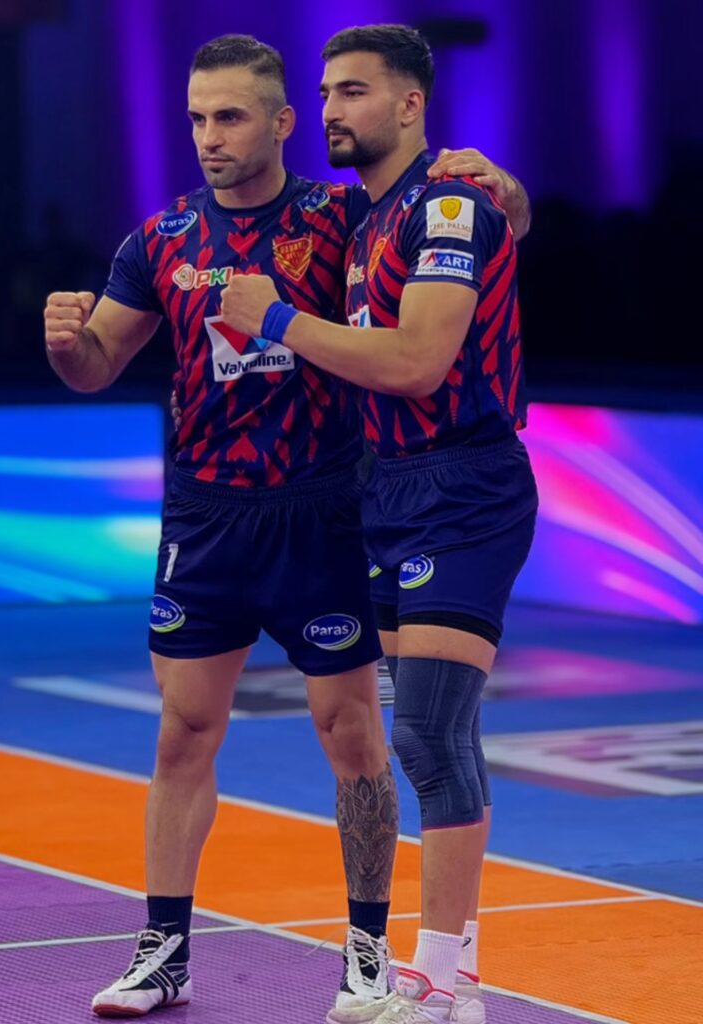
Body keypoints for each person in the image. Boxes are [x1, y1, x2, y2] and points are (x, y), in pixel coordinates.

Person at [44, 33, 530, 1021]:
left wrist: (507, 191)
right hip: (207, 515)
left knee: (365, 734)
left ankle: (373, 955)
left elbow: (467, 226)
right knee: (185, 730)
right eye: (195, 118)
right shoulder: (160, 239)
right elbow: (95, 363)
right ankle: (164, 951)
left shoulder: (343, 212)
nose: (209, 137)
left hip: (329, 508)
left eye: (229, 116)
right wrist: (66, 346)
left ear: (280, 123)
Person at [220, 24, 539, 1024]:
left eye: (353, 91)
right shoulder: (371, 216)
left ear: (410, 105)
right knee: (440, 737)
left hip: (464, 482)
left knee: (430, 733)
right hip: (390, 487)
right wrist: (518, 199)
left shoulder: (444, 204)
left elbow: (416, 363)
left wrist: (276, 318)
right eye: (324, 93)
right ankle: (455, 979)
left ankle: (437, 987)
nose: (330, 110)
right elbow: (513, 219)